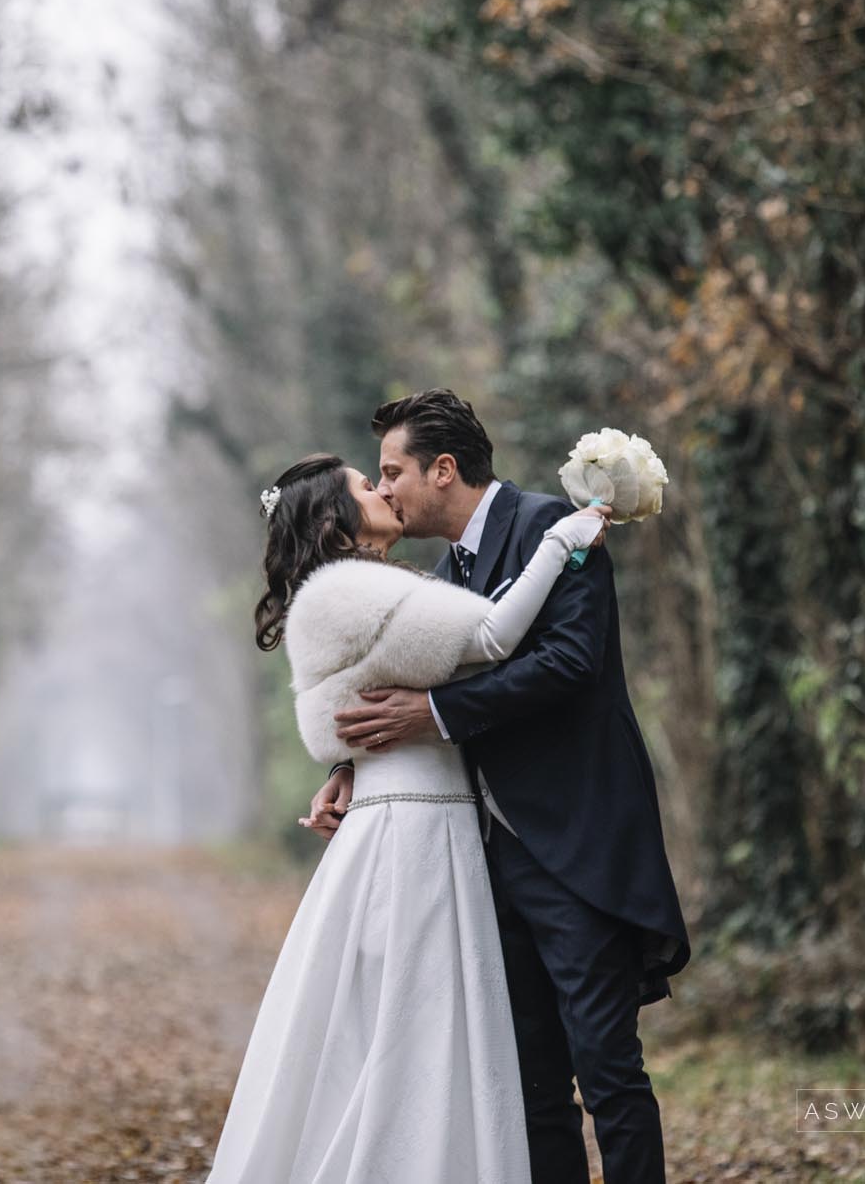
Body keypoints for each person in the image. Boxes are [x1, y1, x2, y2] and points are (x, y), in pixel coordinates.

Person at [313, 390, 690, 1184]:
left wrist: (436, 712)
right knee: (532, 1086)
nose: (382, 491)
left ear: (443, 469)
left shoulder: (562, 526)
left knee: (608, 1071)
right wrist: (350, 765)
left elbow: (568, 663)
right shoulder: (440, 571)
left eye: (392, 472)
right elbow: (383, 681)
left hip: (577, 849)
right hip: (484, 865)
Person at [204, 451, 608, 1184]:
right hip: (415, 833)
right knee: (409, 1029)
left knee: (432, 1031)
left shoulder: (378, 588)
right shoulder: (348, 588)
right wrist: (562, 542)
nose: (385, 488)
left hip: (431, 818)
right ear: (335, 517)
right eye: (368, 482)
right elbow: (489, 637)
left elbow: (381, 691)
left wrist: (346, 768)